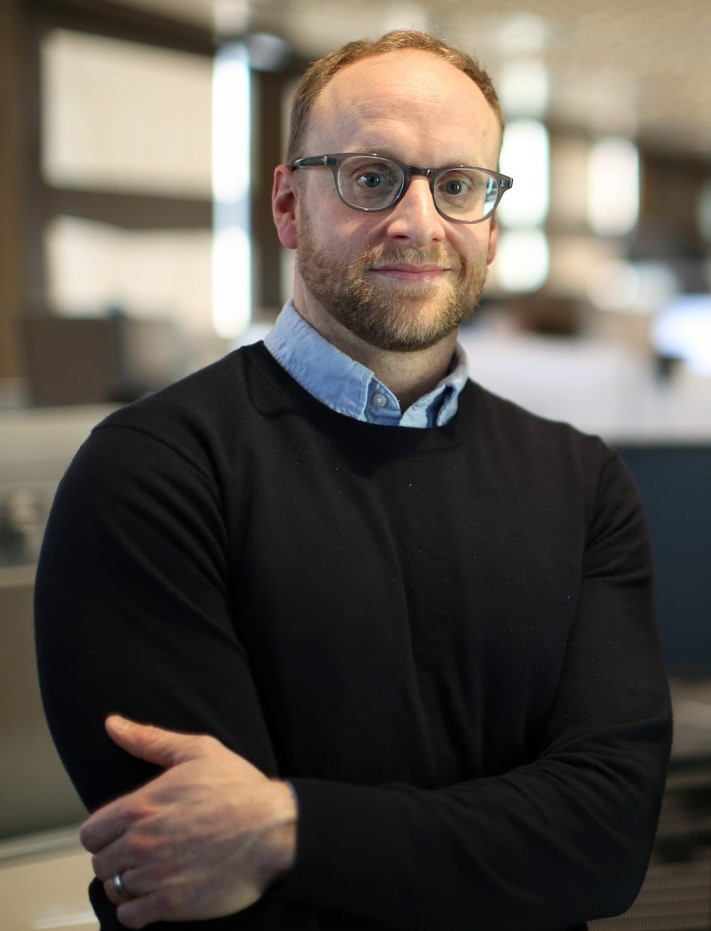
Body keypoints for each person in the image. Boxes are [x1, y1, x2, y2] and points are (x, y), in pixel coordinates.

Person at [35, 29, 672, 931]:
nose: (418, 223)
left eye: (458, 185)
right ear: (288, 204)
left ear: (491, 226)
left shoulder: (581, 481)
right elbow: (189, 881)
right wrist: (507, 852)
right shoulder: (152, 471)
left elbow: (603, 843)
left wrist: (286, 827)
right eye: (371, 177)